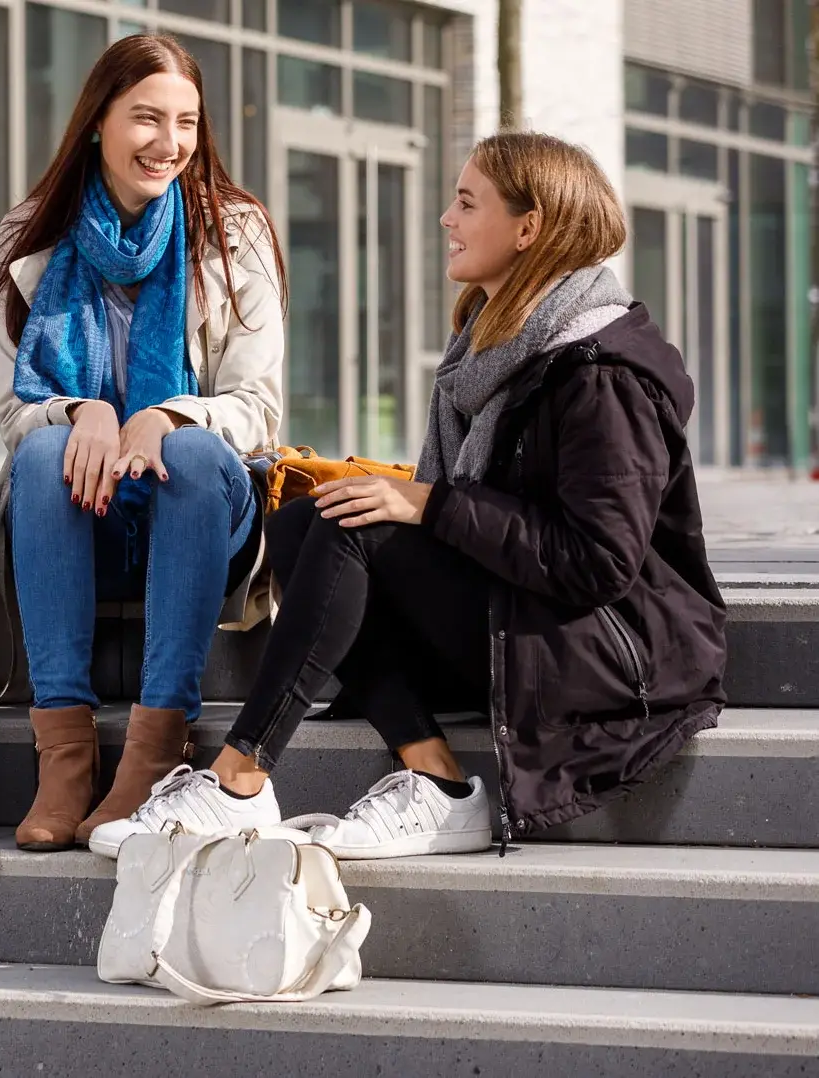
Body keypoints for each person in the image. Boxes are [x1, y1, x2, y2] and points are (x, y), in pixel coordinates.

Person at [94, 131, 727, 859]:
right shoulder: (490, 352)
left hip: (617, 654)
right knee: (309, 522)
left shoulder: (599, 374)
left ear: (530, 228)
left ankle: (240, 775)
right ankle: (435, 781)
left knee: (354, 528)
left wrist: (431, 506)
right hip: (526, 614)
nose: (444, 219)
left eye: (465, 202)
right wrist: (416, 502)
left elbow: (597, 562)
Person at [0, 33, 287, 853]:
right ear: (95, 124)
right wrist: (82, 410)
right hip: (77, 516)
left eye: (184, 122)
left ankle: (154, 750)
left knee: (184, 452)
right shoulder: (27, 236)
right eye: (146, 118)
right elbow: (10, 412)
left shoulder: (235, 231)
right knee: (41, 451)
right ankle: (64, 759)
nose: (168, 143)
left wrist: (168, 415)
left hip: (196, 517)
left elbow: (257, 406)